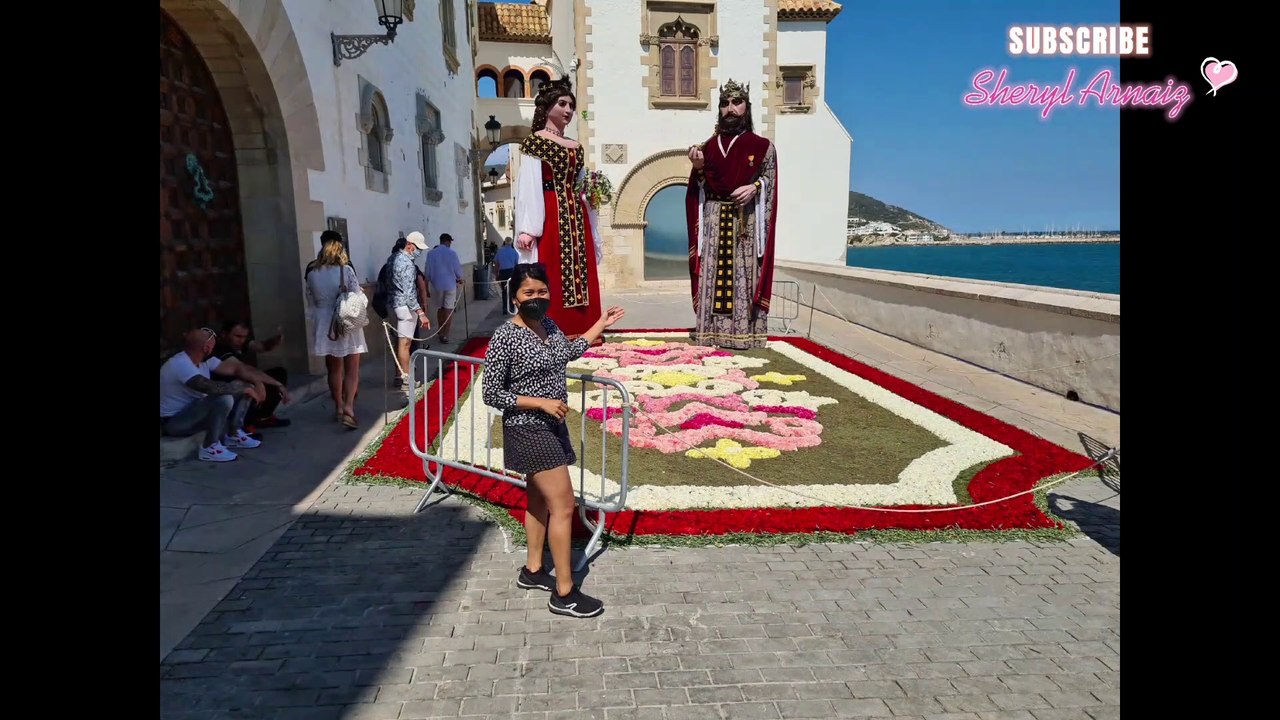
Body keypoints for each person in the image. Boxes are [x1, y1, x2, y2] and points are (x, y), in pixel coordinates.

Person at [482, 263, 625, 618]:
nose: (536, 299)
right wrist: (539, 402)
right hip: (527, 428)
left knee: (538, 500)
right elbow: (491, 391)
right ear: (514, 296)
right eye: (528, 293)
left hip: (552, 428)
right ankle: (564, 592)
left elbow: (569, 351)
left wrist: (599, 325)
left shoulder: (548, 325)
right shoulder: (505, 336)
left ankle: (533, 570)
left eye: (542, 292)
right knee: (562, 506)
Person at [686, 79, 780, 350]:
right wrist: (699, 168)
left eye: (736, 103)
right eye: (725, 104)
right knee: (714, 276)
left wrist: (755, 187)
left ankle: (743, 333)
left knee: (743, 273)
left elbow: (769, 179)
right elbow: (699, 187)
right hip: (715, 221)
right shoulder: (708, 146)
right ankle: (712, 333)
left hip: (746, 221)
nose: (730, 109)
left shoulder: (763, 146)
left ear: (747, 108)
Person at [513, 74, 605, 339]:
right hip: (551, 213)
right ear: (548, 106)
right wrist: (529, 227)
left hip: (576, 213)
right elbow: (530, 184)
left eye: (571, 106)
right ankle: (554, 328)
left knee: (581, 268)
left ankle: (585, 328)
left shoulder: (576, 146)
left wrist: (592, 194)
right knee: (553, 268)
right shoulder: (536, 143)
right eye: (562, 104)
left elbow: (579, 182)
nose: (568, 110)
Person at [160, 327, 267, 463]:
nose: (214, 349)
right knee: (224, 397)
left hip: (194, 413)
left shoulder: (204, 360)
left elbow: (235, 369)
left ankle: (233, 434)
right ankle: (209, 447)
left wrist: (255, 382)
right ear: (206, 348)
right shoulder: (180, 364)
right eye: (213, 345)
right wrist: (241, 389)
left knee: (243, 385)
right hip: (174, 422)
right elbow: (209, 387)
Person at [305, 231, 367, 429]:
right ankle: (349, 407)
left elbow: (311, 300)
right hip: (345, 320)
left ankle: (338, 407)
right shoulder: (346, 270)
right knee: (352, 368)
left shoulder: (312, 272)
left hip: (325, 323)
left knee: (334, 368)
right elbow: (357, 296)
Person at [214, 320, 292, 429]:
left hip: (239, 380)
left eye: (244, 337)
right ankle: (244, 425)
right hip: (224, 390)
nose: (241, 340)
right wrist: (277, 384)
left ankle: (263, 417)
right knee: (250, 384)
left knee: (279, 373)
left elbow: (262, 346)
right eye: (238, 336)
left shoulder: (238, 342)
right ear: (224, 334)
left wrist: (274, 341)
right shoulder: (219, 348)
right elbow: (243, 369)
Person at [390, 232, 432, 390]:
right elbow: (409, 293)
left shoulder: (393, 259)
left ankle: (402, 376)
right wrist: (421, 313)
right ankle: (406, 378)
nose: (418, 251)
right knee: (405, 344)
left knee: (401, 343)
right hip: (405, 307)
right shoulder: (407, 263)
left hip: (396, 304)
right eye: (417, 247)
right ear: (409, 245)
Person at [425, 233, 465, 343]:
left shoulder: (431, 254)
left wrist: (426, 287)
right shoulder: (452, 253)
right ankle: (445, 335)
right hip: (450, 285)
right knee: (448, 310)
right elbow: (457, 269)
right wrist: (460, 278)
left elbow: (427, 272)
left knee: (440, 308)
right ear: (447, 241)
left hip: (437, 285)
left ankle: (440, 331)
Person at [492, 237, 520, 312]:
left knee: (504, 290)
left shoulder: (500, 251)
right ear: (511, 243)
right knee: (511, 290)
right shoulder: (514, 252)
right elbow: (516, 264)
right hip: (511, 271)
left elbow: (496, 263)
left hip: (503, 272)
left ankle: (504, 308)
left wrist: (496, 273)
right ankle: (511, 307)